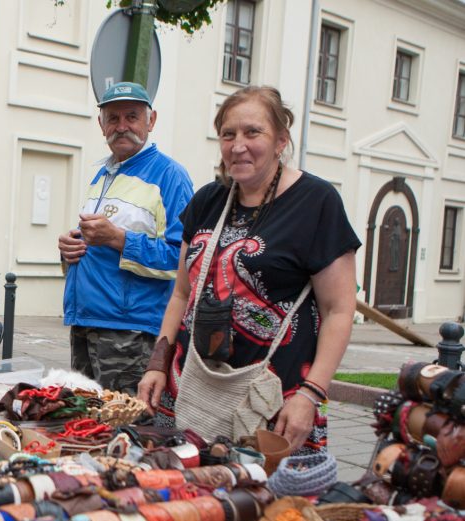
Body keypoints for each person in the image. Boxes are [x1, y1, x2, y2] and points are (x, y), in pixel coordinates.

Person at [137, 85, 360, 455]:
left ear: (281, 140)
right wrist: (157, 364)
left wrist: (311, 394)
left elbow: (339, 309)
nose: (238, 145)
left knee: (263, 505)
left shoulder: (316, 203)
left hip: (274, 399)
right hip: (191, 387)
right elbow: (181, 293)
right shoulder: (208, 200)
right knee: (185, 498)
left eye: (252, 132)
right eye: (228, 134)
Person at [58, 81, 194, 394]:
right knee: (85, 423)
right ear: (101, 124)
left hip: (130, 332)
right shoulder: (102, 174)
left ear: (151, 120)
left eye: (132, 117)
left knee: (125, 428)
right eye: (113, 119)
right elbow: (96, 246)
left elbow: (182, 261)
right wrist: (69, 250)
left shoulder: (170, 176)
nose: (122, 127)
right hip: (86, 320)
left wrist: (119, 238)